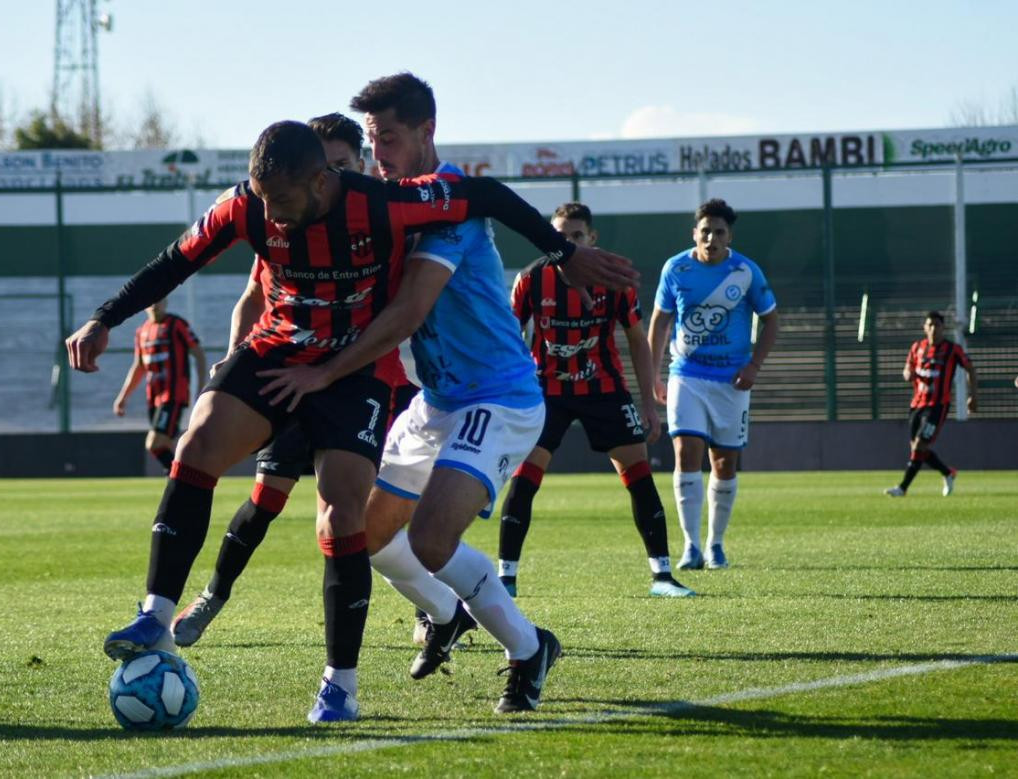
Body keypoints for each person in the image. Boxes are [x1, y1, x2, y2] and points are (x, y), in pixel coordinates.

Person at [66, 118, 635, 724]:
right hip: (281, 351)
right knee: (198, 440)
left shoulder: (380, 204)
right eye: (264, 199)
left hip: (351, 370)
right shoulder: (245, 206)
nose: (273, 215)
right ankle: (156, 615)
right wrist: (105, 318)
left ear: (320, 181)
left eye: (283, 201)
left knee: (344, 512)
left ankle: (340, 687)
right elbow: (173, 262)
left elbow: (486, 196)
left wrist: (566, 253)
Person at [258, 73, 637, 714]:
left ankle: (527, 649)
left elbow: (407, 314)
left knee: (432, 538)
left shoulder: (447, 211)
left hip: (500, 396)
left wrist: (323, 375)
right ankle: (443, 612)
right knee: (362, 532)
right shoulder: (389, 201)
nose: (381, 156)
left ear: (427, 131)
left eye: (391, 139)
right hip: (438, 400)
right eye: (372, 143)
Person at [172, 113, 417, 647]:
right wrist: (235, 359)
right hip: (291, 376)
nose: (331, 175)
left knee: (370, 514)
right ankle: (212, 594)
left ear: (359, 166)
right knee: (266, 498)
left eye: (341, 165)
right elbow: (255, 297)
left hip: (375, 383)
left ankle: (431, 607)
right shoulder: (286, 222)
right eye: (324, 164)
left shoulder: (384, 217)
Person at [497, 202, 694, 599]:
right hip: (545, 392)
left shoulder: (614, 279)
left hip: (603, 389)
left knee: (639, 477)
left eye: (576, 236)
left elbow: (637, 339)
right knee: (524, 482)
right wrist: (509, 394)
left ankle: (663, 577)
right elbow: (505, 336)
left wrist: (648, 402)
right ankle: (507, 579)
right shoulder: (531, 279)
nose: (567, 243)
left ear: (592, 238)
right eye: (560, 236)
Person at [646, 199, 778, 571]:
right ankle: (689, 546)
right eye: (705, 230)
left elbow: (772, 322)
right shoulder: (676, 268)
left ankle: (715, 544)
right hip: (686, 375)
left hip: (732, 383)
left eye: (719, 232)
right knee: (686, 452)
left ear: (729, 236)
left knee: (724, 462)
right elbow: (659, 323)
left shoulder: (745, 271)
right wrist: (655, 375)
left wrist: (754, 365)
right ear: (695, 233)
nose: (711, 237)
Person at [884, 310, 977, 497]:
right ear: (925, 328)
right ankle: (948, 473)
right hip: (917, 404)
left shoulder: (952, 349)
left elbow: (970, 369)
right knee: (918, 450)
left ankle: (902, 488)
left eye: (937, 325)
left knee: (919, 446)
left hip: (937, 406)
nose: (934, 329)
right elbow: (907, 370)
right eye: (930, 325)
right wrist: (907, 374)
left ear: (943, 328)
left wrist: (973, 395)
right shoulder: (917, 347)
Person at [112, 298, 206, 472]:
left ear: (166, 303)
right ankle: (179, 480)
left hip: (173, 396)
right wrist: (123, 397)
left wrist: (201, 387)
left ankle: (181, 477)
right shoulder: (142, 331)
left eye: (159, 301)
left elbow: (198, 353)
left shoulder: (176, 324)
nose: (155, 305)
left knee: (154, 443)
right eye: (151, 302)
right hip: (153, 397)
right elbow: (139, 366)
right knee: (167, 445)